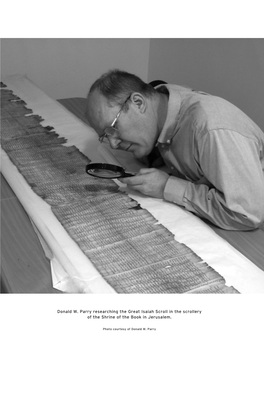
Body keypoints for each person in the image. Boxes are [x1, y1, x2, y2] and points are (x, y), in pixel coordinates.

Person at [85, 69, 264, 231]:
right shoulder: (160, 101)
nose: (114, 144)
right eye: (105, 136)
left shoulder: (212, 129)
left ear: (138, 102)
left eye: (113, 129)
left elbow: (246, 214)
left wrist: (166, 186)